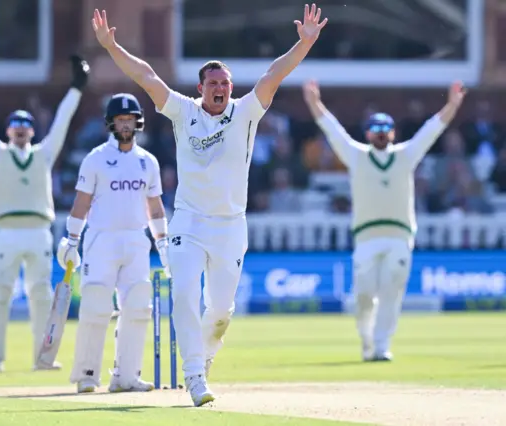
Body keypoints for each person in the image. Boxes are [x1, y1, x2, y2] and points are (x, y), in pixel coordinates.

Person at [90, 4, 327, 406]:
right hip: (189, 223)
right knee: (184, 293)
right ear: (201, 88)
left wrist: (302, 44)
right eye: (213, 82)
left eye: (226, 83)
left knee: (220, 310)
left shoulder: (246, 113)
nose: (221, 88)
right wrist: (112, 47)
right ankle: (195, 376)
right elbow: (147, 76)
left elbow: (274, 74)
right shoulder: (183, 112)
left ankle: (205, 356)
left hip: (231, 225)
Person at [302, 80, 466, 362]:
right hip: (366, 237)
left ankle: (381, 345)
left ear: (393, 132)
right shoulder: (356, 155)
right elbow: (332, 130)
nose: (380, 134)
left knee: (392, 290)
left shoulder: (405, 154)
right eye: (375, 129)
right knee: (364, 294)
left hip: (400, 235)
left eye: (385, 129)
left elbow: (432, 130)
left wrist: (452, 105)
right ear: (367, 133)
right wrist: (314, 102)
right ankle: (366, 338)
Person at [0, 51, 90, 372]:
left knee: (41, 296)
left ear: (33, 132)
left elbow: (62, 121)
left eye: (26, 126)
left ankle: (43, 357)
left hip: (38, 232)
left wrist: (77, 86)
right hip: (7, 232)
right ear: (8, 131)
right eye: (15, 125)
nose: (20, 130)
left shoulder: (44, 155)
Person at [56, 93, 169, 393]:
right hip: (101, 240)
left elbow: (155, 207)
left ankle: (126, 376)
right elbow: (81, 202)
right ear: (111, 123)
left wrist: (164, 243)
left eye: (130, 120)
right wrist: (71, 239)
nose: (125, 125)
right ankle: (87, 375)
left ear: (137, 122)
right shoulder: (95, 159)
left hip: (136, 240)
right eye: (121, 120)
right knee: (95, 304)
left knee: (137, 305)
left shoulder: (148, 162)